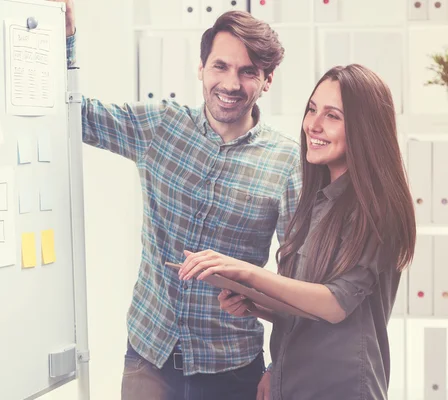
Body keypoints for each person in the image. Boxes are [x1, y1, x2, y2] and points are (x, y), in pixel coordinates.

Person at [53, 1, 301, 398]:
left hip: (232, 368)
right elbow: (73, 115)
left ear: (267, 80)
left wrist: (280, 364)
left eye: (248, 72)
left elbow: (297, 280)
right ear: (201, 68)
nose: (231, 84)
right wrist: (64, 40)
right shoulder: (160, 125)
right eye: (220, 66)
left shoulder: (288, 162)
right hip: (148, 356)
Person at [179, 64, 417, 400]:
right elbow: (307, 307)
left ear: (365, 128)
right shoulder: (317, 201)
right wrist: (253, 304)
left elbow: (335, 304)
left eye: (333, 115)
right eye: (312, 109)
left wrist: (245, 271)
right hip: (294, 386)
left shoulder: (377, 209)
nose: (313, 125)